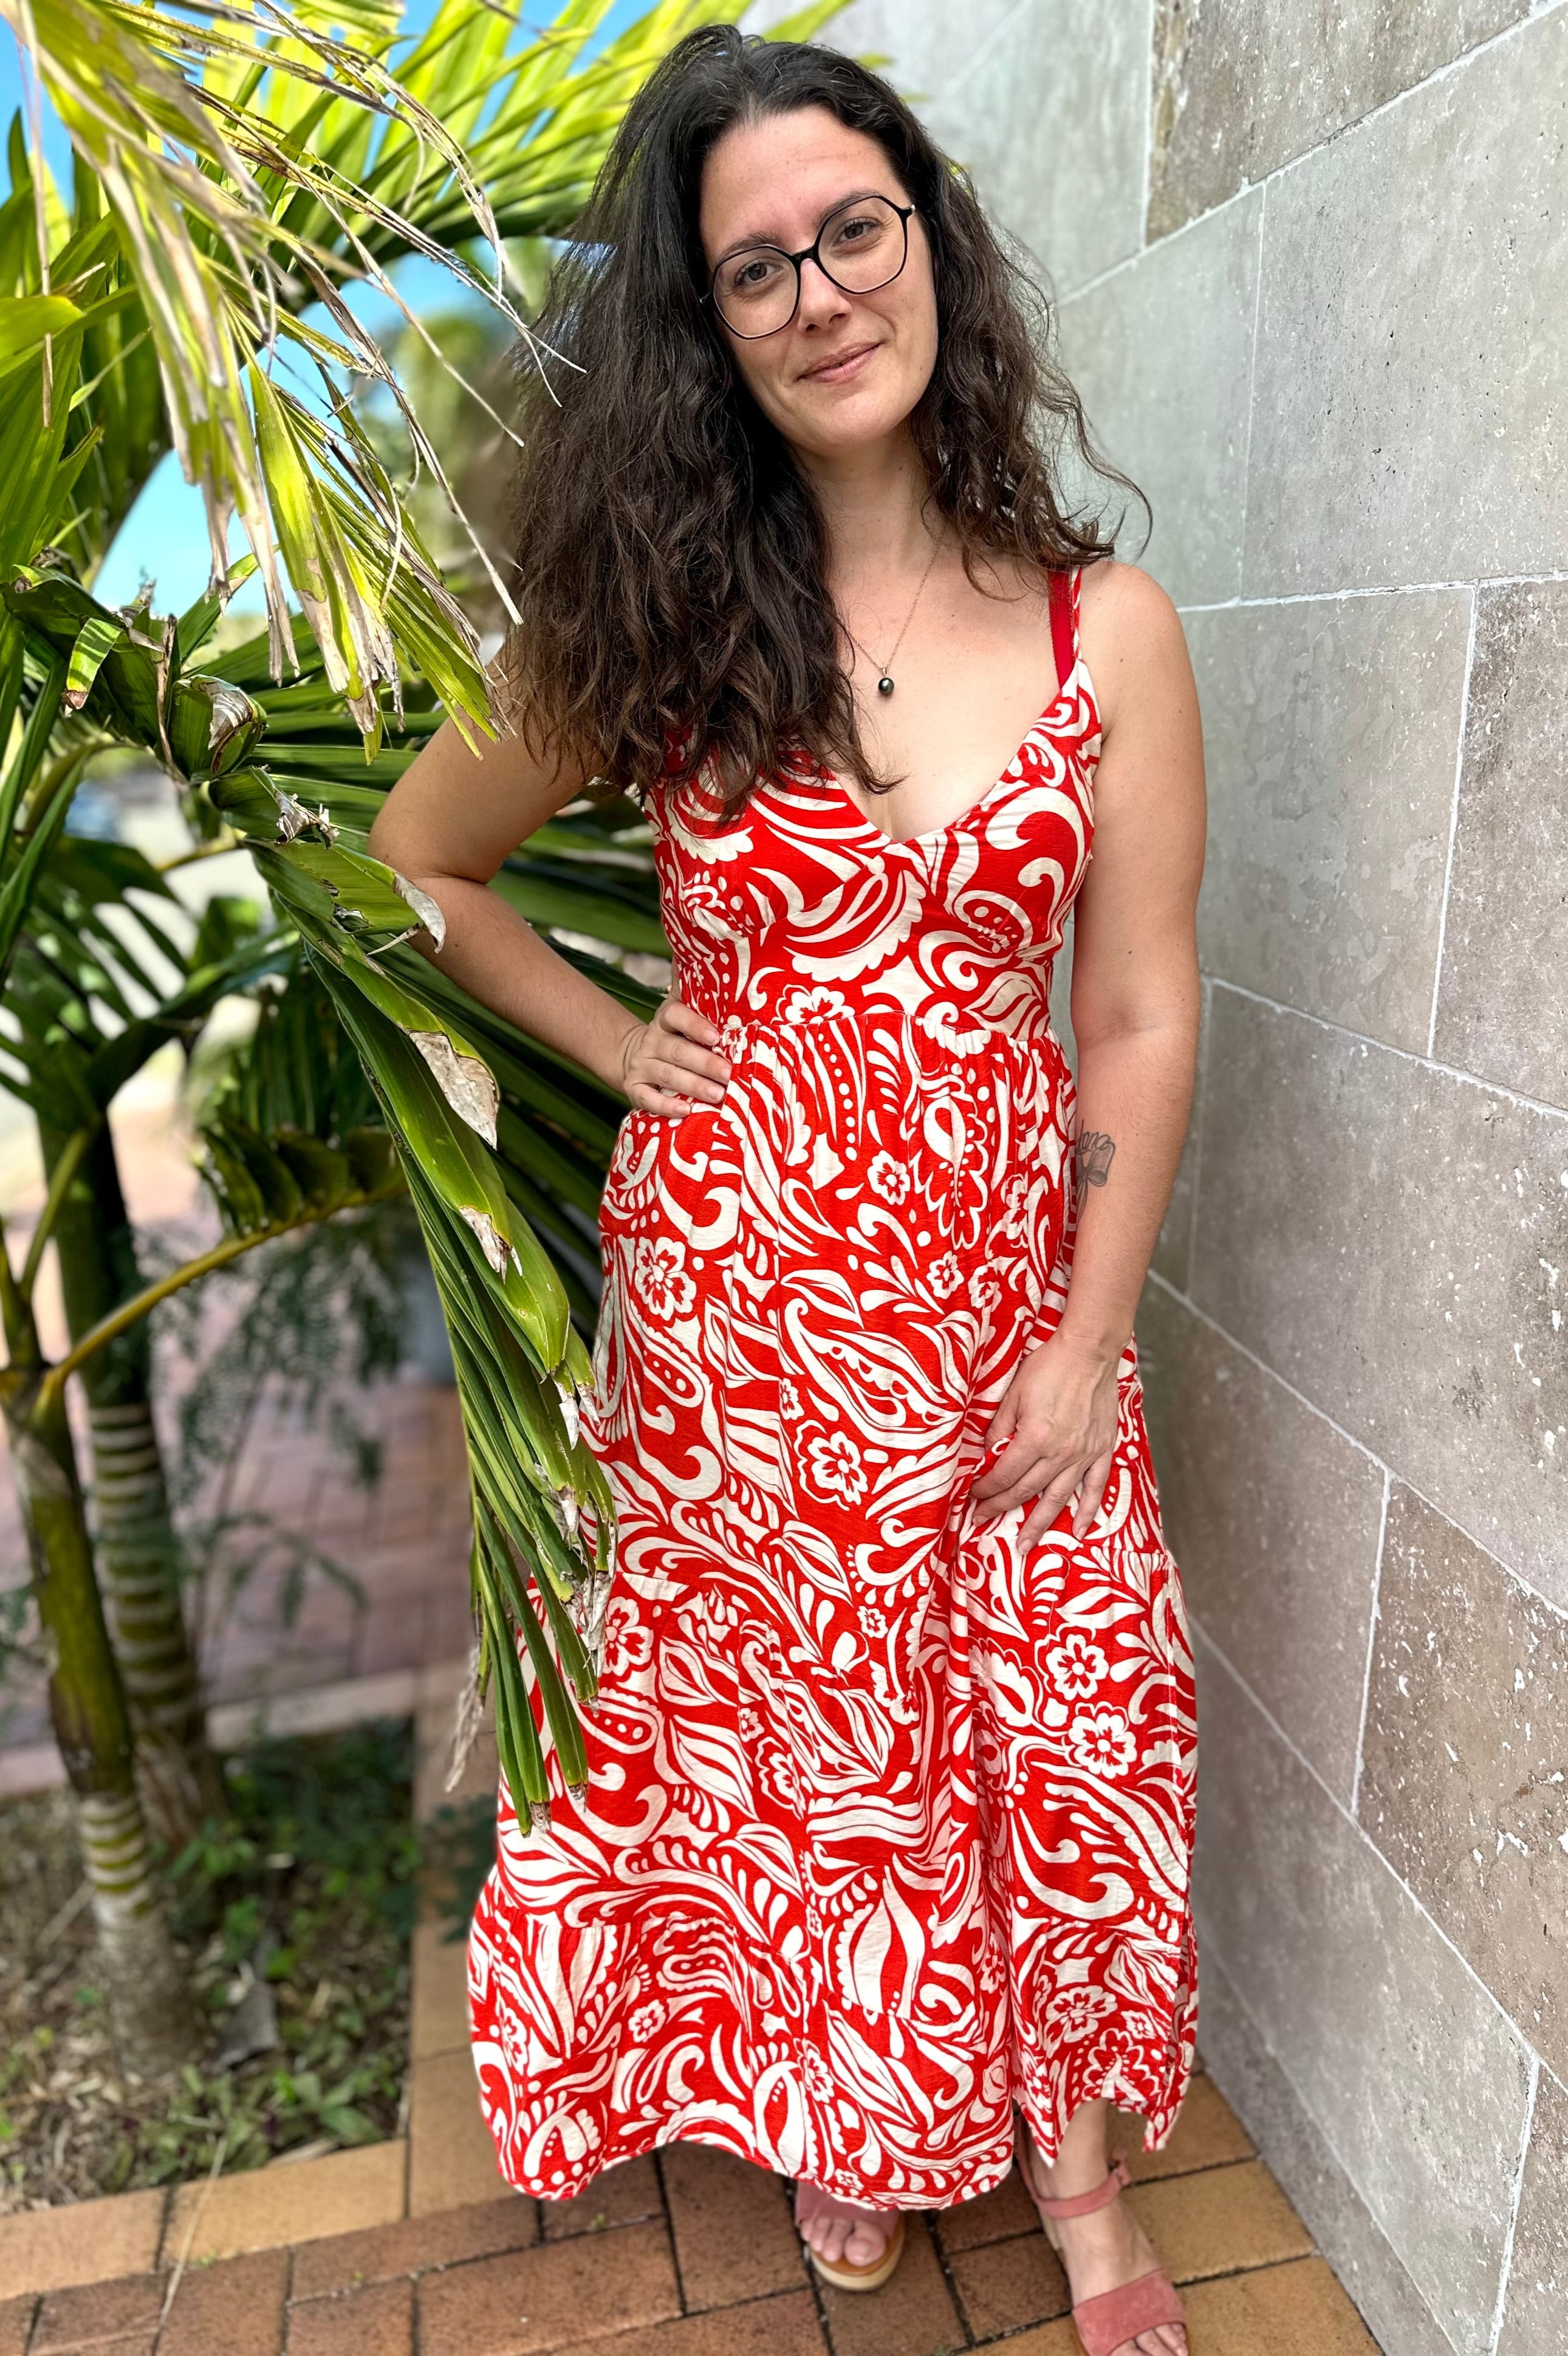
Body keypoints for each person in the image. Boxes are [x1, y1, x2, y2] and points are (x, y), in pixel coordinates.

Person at [370, 28, 1205, 2356]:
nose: (823, 292)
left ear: (929, 242)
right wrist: (626, 1046)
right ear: (708, 325)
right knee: (808, 1751)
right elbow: (424, 863)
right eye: (757, 267)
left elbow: (1141, 1014)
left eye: (855, 230)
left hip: (1009, 1302)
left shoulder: (1107, 631)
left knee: (1053, 1727)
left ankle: (1077, 2181)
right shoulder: (661, 631)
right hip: (745, 1325)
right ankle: (858, 2112)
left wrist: (1091, 1334)